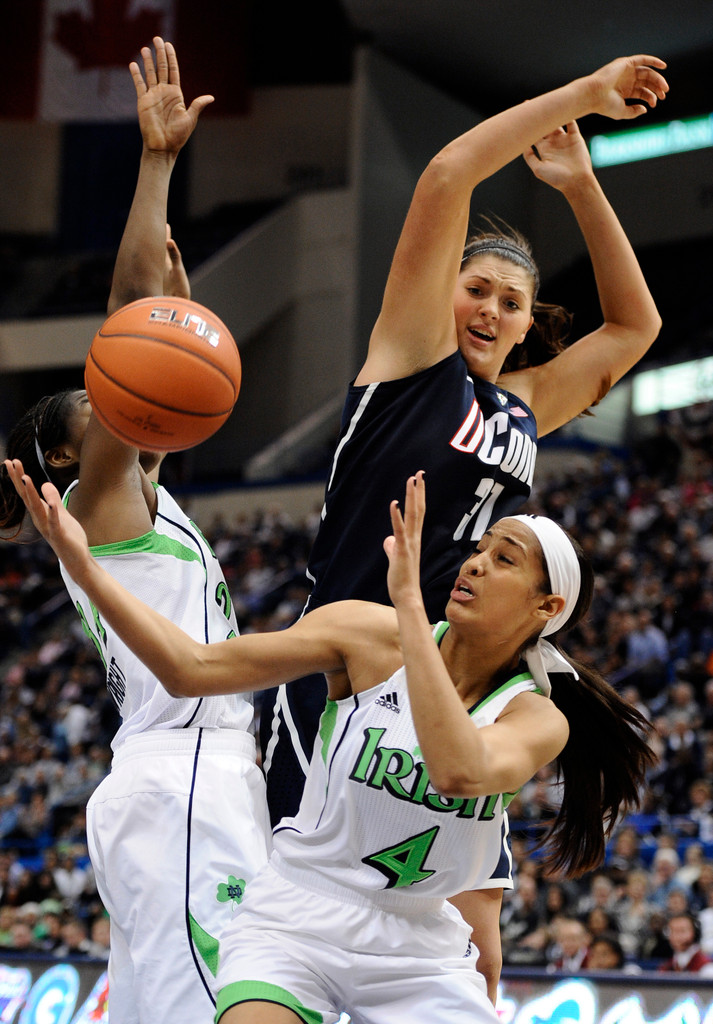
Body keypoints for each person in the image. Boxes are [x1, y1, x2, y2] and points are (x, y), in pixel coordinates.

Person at [4, 466, 657, 1022]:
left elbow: (458, 770)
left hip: (417, 943)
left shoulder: (535, 717)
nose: (476, 563)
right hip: (296, 911)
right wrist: (84, 568)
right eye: (479, 548)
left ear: (546, 608)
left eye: (504, 559)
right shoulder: (365, 634)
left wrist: (409, 610)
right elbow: (191, 670)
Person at [260, 54, 669, 844]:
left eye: (509, 302)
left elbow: (633, 328)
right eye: (474, 288)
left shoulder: (522, 405)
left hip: (451, 676)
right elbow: (448, 175)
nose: (489, 308)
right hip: (347, 660)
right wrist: (583, 93)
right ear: (441, 292)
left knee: (429, 893)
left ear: (525, 325)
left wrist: (581, 185)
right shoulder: (411, 361)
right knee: (296, 866)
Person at [0, 39, 270, 1024]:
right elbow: (129, 325)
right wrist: (155, 166)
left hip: (186, 777)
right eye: (96, 404)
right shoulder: (96, 503)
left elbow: (157, 350)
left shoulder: (137, 504)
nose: (110, 401)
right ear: (72, 458)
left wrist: (176, 302)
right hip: (182, 778)